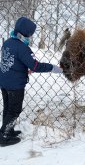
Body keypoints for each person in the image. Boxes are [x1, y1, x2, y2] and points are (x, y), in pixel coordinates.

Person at [0, 17, 63, 146]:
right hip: (15, 85)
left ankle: (6, 130)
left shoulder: (7, 43)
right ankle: (4, 137)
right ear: (27, 33)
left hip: (4, 81)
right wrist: (53, 68)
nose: (31, 37)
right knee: (14, 110)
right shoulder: (23, 48)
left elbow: (11, 61)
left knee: (8, 108)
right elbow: (35, 66)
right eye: (31, 34)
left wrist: (23, 68)